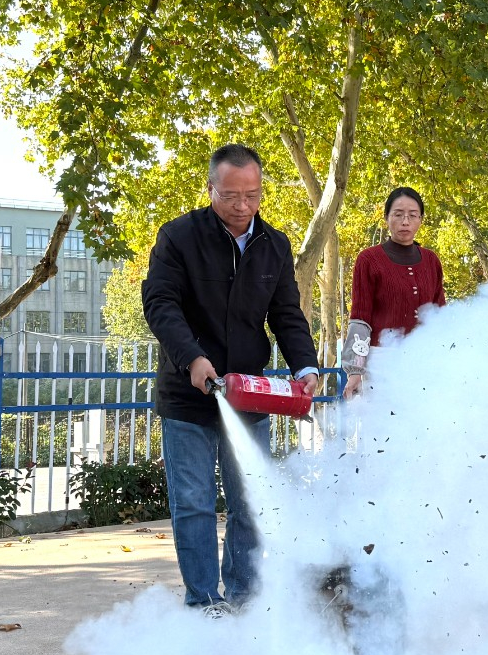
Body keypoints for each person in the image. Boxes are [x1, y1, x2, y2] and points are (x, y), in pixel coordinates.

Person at [142, 144, 323, 616]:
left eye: (253, 195)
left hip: (249, 396)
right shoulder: (178, 237)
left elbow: (286, 315)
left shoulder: (275, 245)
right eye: (231, 196)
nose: (242, 206)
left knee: (249, 505)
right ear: (211, 189)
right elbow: (161, 305)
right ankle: (204, 602)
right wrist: (192, 359)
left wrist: (305, 367)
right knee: (195, 503)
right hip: (189, 396)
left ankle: (242, 597)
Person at [341, 186, 447, 399]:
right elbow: (361, 318)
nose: (405, 221)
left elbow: (441, 316)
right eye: (398, 214)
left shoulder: (431, 261)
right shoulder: (368, 260)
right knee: (384, 429)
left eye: (412, 215)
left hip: (425, 362)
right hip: (382, 364)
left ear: (421, 219)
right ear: (387, 217)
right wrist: (355, 370)